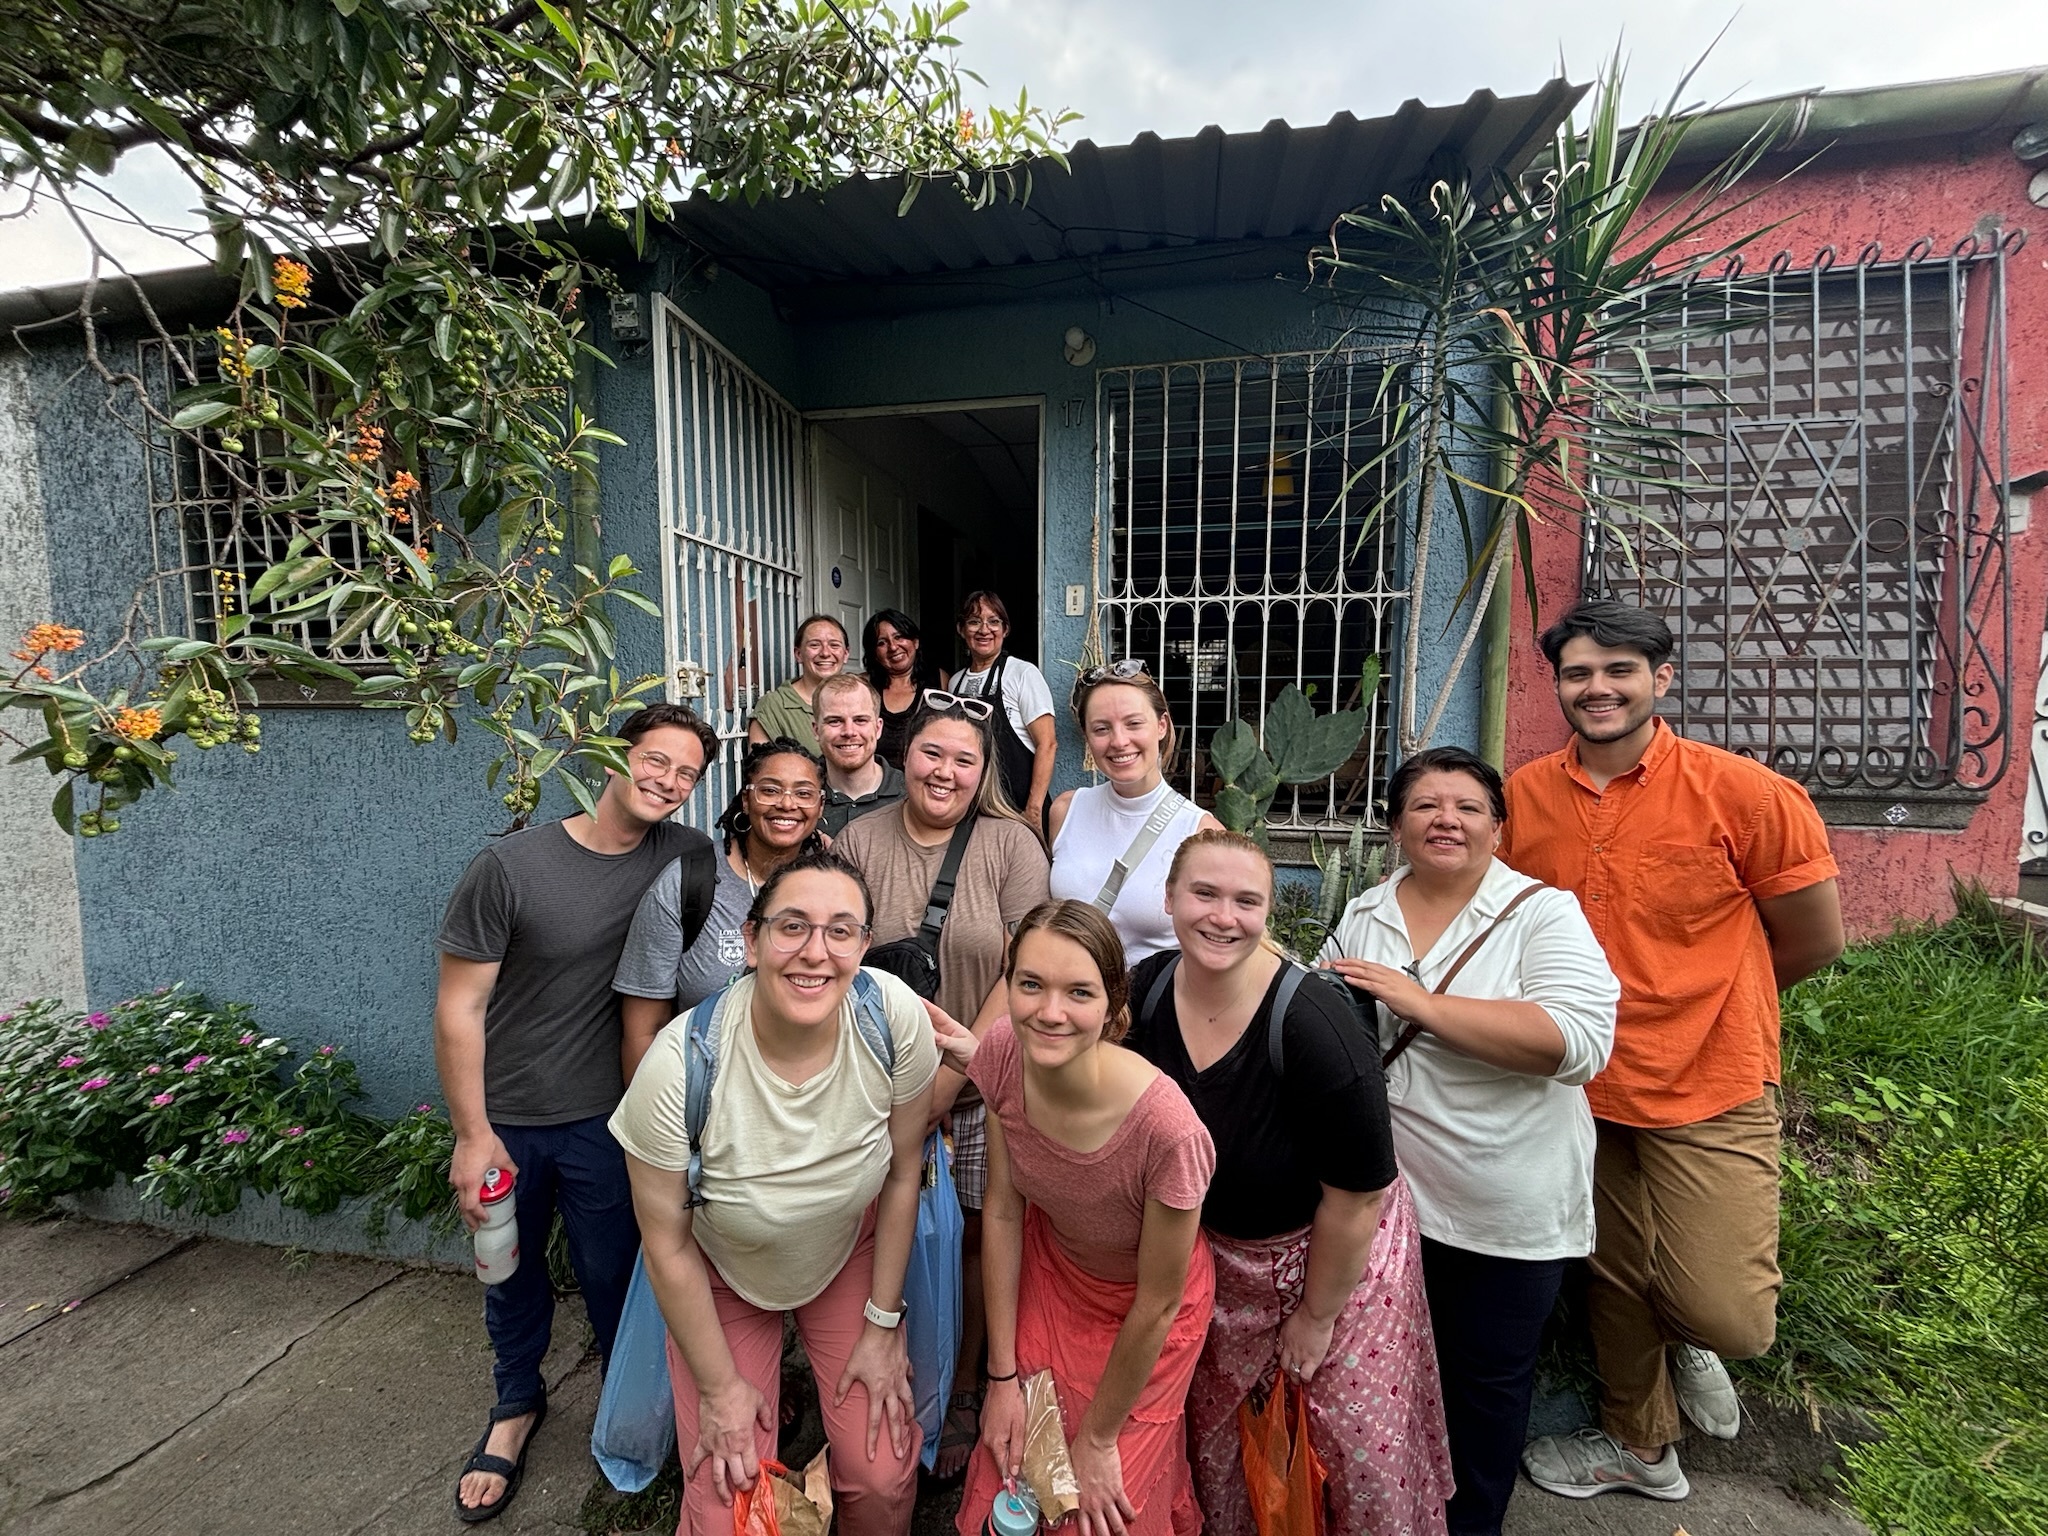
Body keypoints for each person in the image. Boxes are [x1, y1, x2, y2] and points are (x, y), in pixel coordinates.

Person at [1506, 601, 1842, 1504]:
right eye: (1578, 672)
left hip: (1712, 1074)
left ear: (1661, 678)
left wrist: (1713, 1002)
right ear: (1559, 687)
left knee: (1726, 1313)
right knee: (1610, 1268)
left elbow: (1811, 940)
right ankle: (1640, 1446)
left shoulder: (1748, 794)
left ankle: (1686, 1332)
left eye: (1620, 669)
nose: (1597, 687)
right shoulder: (1524, 798)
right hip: (1580, 1082)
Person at [610, 850, 957, 1536]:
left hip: (845, 1254)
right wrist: (718, 1389)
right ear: (751, 937)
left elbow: (900, 1169)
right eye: (792, 926)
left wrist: (885, 1326)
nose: (815, 952)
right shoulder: (680, 1066)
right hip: (720, 1270)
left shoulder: (892, 1020)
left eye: (840, 931)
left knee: (883, 1474)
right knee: (726, 1505)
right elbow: (667, 1247)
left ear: (863, 945)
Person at [434, 701, 719, 1523]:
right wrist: (471, 1132)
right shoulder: (512, 865)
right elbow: (459, 1007)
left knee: (619, 1276)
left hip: (612, 1118)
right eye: (656, 762)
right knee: (506, 1274)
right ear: (608, 756)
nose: (669, 782)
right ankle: (516, 1405)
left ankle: (630, 1409)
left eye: (688, 775)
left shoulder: (688, 859)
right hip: (510, 1117)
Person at [1324, 746, 1618, 1536]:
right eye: (1424, 805)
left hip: (1503, 1211)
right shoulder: (1366, 910)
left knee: (1482, 1398)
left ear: (1498, 827)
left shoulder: (1541, 914)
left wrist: (1420, 1003)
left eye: (1465, 807)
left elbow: (1575, 1042)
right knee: (1391, 1386)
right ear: (1395, 827)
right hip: (1389, 1209)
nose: (1444, 820)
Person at [1128, 829, 1453, 1536]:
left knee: (1354, 1452)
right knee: (1228, 1447)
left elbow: (1358, 1192)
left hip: (1336, 1258)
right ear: (1169, 899)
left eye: (1246, 901)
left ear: (1268, 911)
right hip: (1220, 1263)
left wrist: (1317, 1316)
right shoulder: (1148, 991)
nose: (1223, 916)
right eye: (1204, 894)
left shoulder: (1312, 1022)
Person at [834, 693, 1050, 1478]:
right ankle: (882, 1367)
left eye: (965, 759)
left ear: (985, 770)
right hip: (869, 1084)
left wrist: (948, 1079)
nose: (945, 771)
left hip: (982, 1084)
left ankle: (964, 1385)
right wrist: (901, 1099)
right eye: (932, 753)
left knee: (974, 1239)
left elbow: (1025, 963)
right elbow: (838, 956)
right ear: (903, 756)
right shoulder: (859, 838)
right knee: (877, 1241)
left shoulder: (1009, 844)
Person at [954, 900, 1217, 1536]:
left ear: (1111, 1006)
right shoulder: (1000, 1057)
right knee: (1017, 1473)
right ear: (1007, 982)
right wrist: (1000, 1377)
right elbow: (1004, 1211)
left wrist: (1098, 1439)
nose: (1049, 1012)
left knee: (1093, 1506)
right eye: (1031, 984)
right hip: (1053, 1281)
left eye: (1078, 992)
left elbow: (1158, 1301)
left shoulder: (1168, 1131)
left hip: (1148, 1317)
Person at [615, 738, 827, 1083]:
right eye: (770, 790)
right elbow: (643, 1029)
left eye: (803, 793)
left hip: (807, 1100)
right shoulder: (689, 882)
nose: (787, 804)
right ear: (746, 799)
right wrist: (650, 1127)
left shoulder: (833, 886)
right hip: (703, 1101)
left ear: (819, 807)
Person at [1049, 660, 1217, 964]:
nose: (1119, 741)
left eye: (1134, 723)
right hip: (1071, 1004)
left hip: (1153, 1005)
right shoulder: (1065, 811)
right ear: (1087, 737)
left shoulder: (1201, 831)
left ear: (1162, 725)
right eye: (1102, 728)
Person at [948, 591, 1058, 829]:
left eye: (994, 621)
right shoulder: (956, 682)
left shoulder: (1022, 674)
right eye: (974, 621)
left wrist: (1033, 810)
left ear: (1005, 630)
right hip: (974, 807)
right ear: (961, 629)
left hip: (1018, 808)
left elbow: (1047, 744)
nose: (984, 630)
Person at [814, 672, 906, 837]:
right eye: (835, 721)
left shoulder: (909, 795)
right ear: (816, 730)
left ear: (878, 728)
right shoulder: (800, 798)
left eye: (860, 720)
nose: (849, 732)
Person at [747, 614, 850, 754]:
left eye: (834, 645)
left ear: (846, 654)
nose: (825, 653)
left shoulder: (859, 699)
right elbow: (759, 769)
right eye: (814, 645)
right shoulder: (773, 707)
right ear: (798, 654)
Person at [862, 608, 946, 769]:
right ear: (874, 653)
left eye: (899, 637)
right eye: (882, 642)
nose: (893, 647)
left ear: (915, 642)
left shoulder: (940, 680)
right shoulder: (865, 685)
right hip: (877, 785)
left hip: (925, 783)